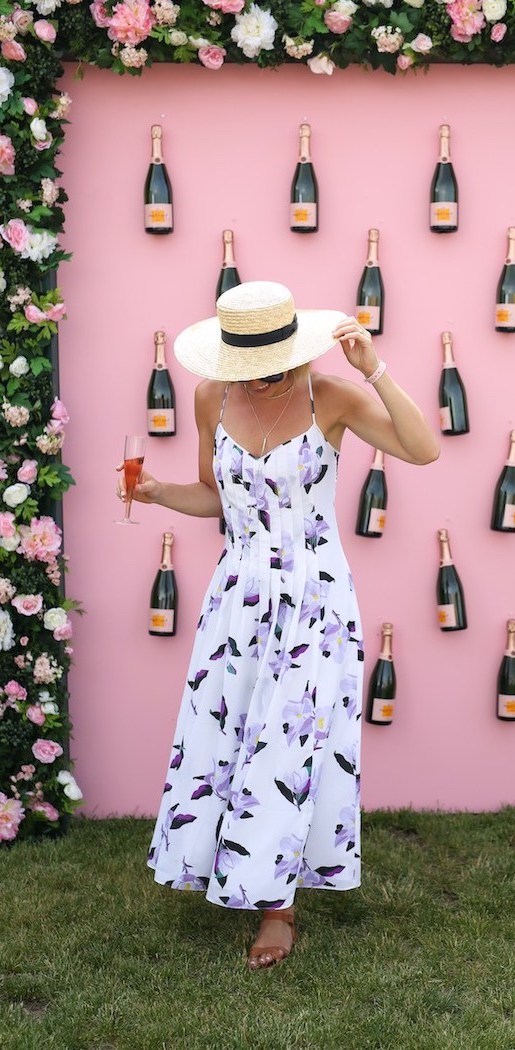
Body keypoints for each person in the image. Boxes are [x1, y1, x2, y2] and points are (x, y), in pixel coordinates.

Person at [118, 281, 439, 970]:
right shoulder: (212, 397)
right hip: (237, 594)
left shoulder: (332, 398)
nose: (260, 381)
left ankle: (279, 909)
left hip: (316, 599)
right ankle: (227, 866)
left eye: (271, 366)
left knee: (288, 743)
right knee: (232, 732)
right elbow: (217, 499)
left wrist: (374, 369)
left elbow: (423, 449)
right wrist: (158, 493)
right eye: (248, 368)